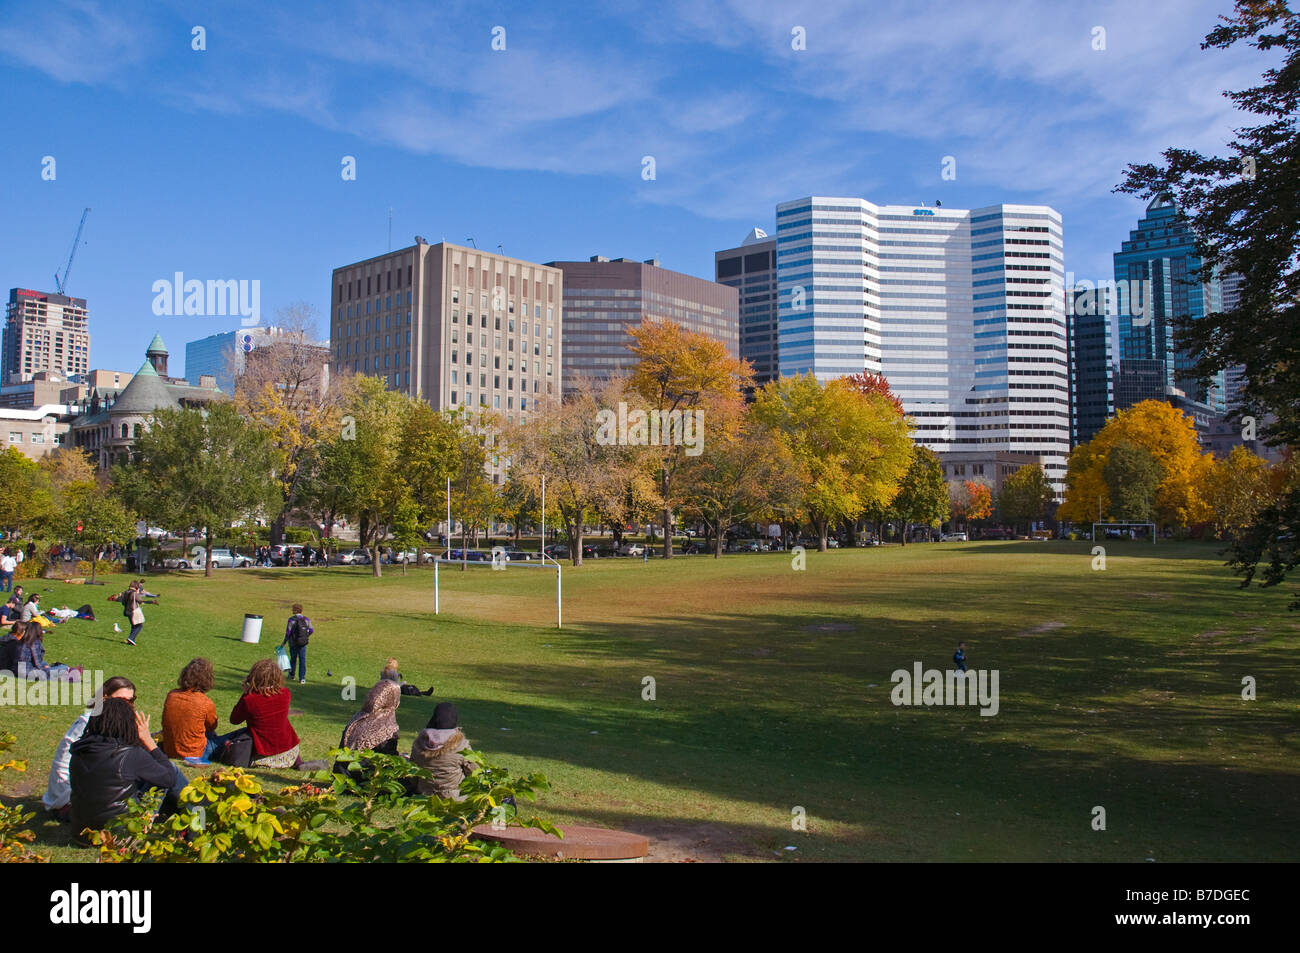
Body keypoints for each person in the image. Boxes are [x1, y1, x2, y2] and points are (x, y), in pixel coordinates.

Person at [69, 697, 189, 835]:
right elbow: (169, 778)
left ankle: (185, 813)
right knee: (169, 771)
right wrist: (149, 741)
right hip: (120, 834)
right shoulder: (129, 754)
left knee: (154, 776)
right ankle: (198, 816)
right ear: (128, 723)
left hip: (81, 832)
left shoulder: (78, 751)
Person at [43, 675, 136, 819]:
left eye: (131, 701)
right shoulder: (88, 721)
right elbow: (63, 760)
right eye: (121, 700)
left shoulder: (111, 721)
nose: (127, 706)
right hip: (69, 793)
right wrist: (62, 796)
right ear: (104, 698)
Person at [229, 659, 303, 769]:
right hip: (290, 753)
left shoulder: (250, 699)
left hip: (264, 756)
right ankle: (299, 762)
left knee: (231, 738)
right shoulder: (285, 693)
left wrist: (246, 693)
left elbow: (234, 719)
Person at [409, 702, 476, 801]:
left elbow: (412, 774)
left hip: (424, 795)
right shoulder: (461, 745)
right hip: (452, 798)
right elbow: (474, 772)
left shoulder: (419, 742)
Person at [162, 658, 223, 762]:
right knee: (235, 736)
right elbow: (212, 726)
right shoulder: (205, 702)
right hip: (194, 754)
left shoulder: (172, 695)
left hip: (169, 750)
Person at [339, 680, 402, 756]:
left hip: (343, 765)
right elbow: (387, 760)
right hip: (364, 767)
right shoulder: (388, 729)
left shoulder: (357, 718)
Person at [12, 624, 81, 681]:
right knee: (63, 667)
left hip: (17, 670)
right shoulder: (33, 643)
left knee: (45, 664)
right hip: (27, 672)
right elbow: (37, 663)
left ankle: (65, 676)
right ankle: (69, 671)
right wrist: (46, 669)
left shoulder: (22, 641)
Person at [280, 604, 312, 684]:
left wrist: (284, 642)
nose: (292, 610)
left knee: (293, 659)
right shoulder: (306, 619)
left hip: (293, 642)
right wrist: (305, 636)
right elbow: (311, 630)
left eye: (293, 609)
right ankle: (302, 678)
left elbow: (288, 632)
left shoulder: (291, 620)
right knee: (302, 660)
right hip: (303, 643)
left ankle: (292, 675)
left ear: (295, 610)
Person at [121, 580, 145, 646]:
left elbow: (123, 602)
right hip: (133, 611)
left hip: (127, 611)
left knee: (134, 626)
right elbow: (140, 601)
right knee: (140, 625)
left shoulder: (125, 592)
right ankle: (131, 638)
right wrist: (138, 593)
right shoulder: (134, 593)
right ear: (136, 587)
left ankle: (131, 640)